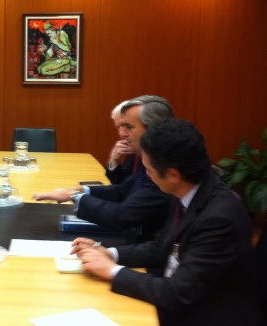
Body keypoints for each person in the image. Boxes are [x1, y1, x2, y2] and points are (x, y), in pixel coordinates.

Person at [71, 119, 260, 326]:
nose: (147, 176)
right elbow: (161, 247)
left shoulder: (218, 219)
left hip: (202, 315)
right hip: (176, 298)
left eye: (149, 170)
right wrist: (109, 253)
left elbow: (178, 293)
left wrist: (111, 270)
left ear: (172, 175)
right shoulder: (190, 189)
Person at [33, 95, 174, 243]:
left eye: (129, 127)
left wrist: (75, 196)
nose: (122, 133)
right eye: (120, 127)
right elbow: (123, 190)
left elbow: (122, 215)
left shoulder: (164, 165)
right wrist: (80, 190)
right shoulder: (148, 156)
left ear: (153, 129)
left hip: (145, 245)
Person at [105, 100, 139, 184]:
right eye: (118, 127)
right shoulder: (133, 150)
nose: (121, 133)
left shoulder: (151, 155)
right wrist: (114, 160)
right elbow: (121, 186)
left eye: (126, 125)